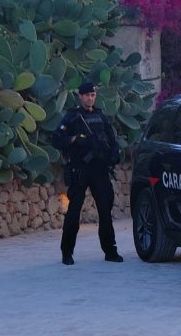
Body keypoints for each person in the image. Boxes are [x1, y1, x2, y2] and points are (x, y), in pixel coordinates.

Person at [52, 81, 122, 266]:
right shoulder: (72, 117)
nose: (90, 98)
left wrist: (114, 155)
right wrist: (75, 139)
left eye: (93, 95)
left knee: (105, 211)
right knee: (74, 211)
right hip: (80, 168)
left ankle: (110, 251)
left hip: (99, 169)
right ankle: (67, 253)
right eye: (87, 95)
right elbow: (57, 139)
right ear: (80, 96)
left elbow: (112, 140)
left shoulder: (100, 116)